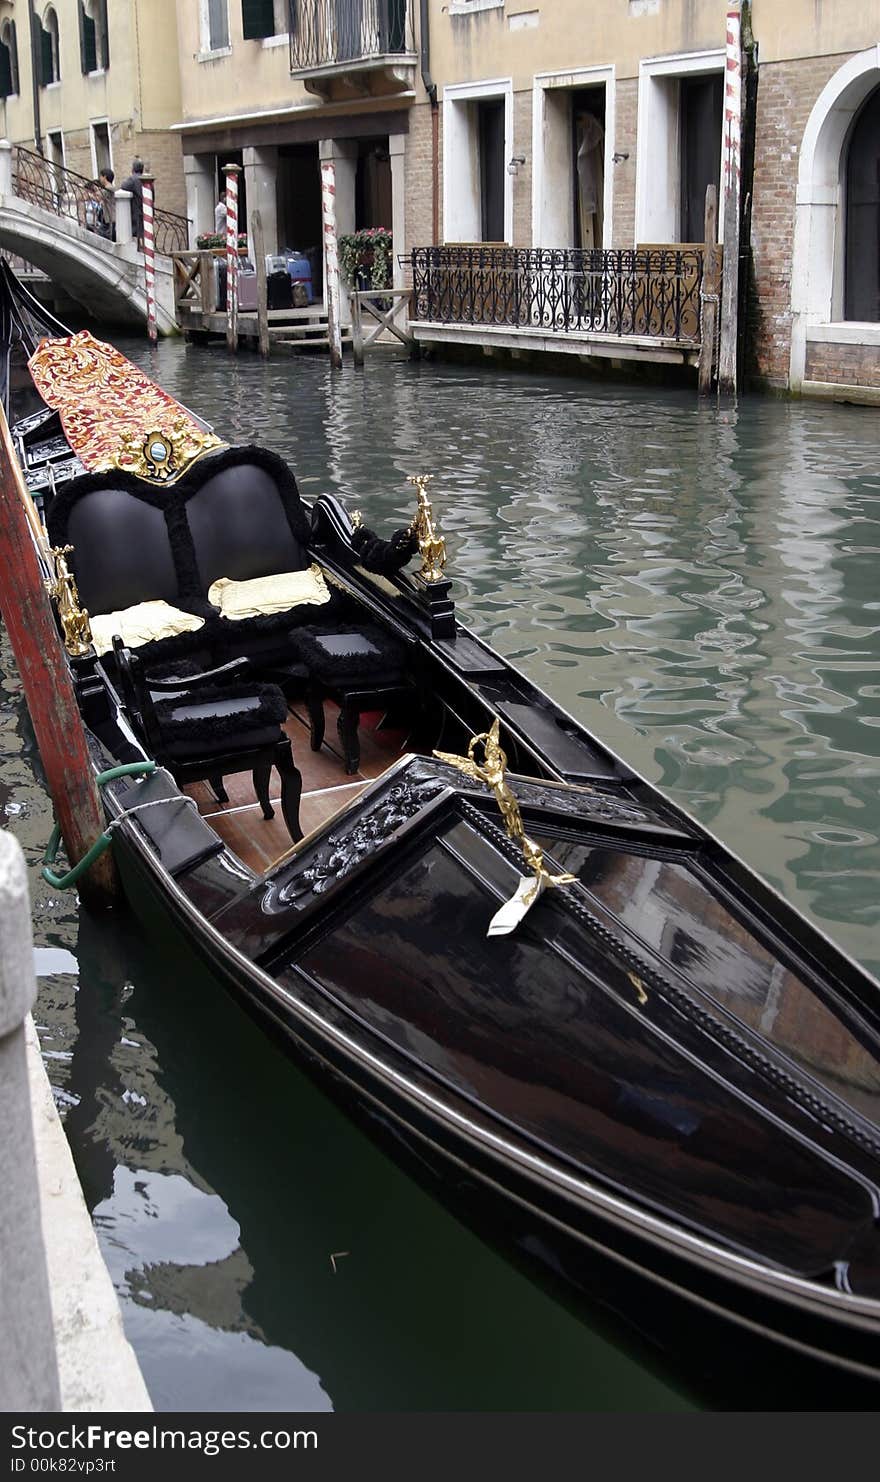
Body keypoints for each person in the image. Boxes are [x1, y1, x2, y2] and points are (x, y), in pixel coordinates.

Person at [121, 157, 144, 247]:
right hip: (146, 210)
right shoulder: (146, 180)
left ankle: (140, 248)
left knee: (137, 232)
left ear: (133, 169)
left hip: (136, 210)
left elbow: (123, 186)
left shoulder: (133, 179)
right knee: (144, 230)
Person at [97, 167, 115, 240]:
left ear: (105, 177)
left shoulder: (109, 188)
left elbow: (98, 195)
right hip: (107, 218)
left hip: (111, 218)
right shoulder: (107, 188)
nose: (100, 178)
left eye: (100, 176)